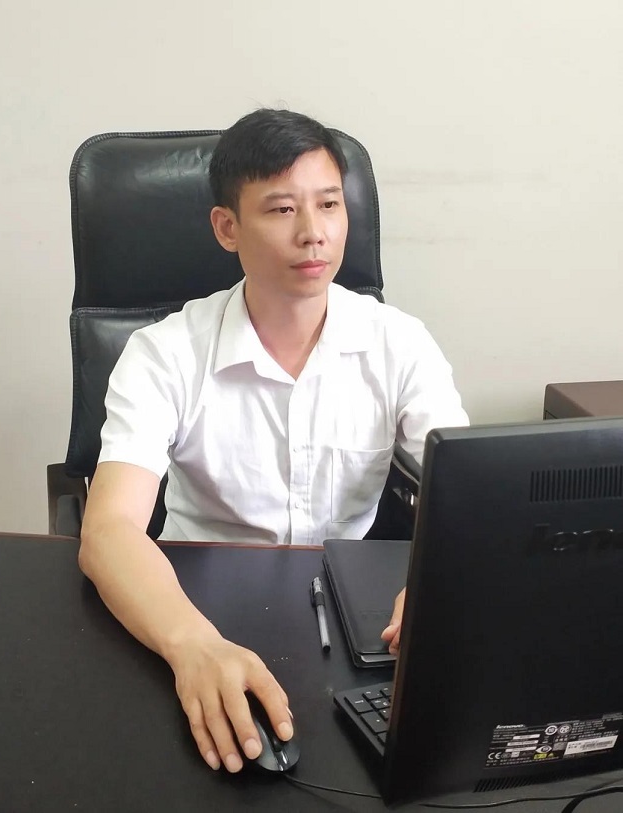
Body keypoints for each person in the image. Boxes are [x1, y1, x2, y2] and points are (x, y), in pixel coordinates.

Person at [79, 108, 469, 775]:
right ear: (227, 227)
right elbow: (109, 530)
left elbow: (462, 498)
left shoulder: (400, 345)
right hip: (190, 602)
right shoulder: (165, 353)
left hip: (354, 622)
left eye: (329, 204)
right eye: (283, 209)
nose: (314, 232)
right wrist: (192, 645)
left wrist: (434, 587)